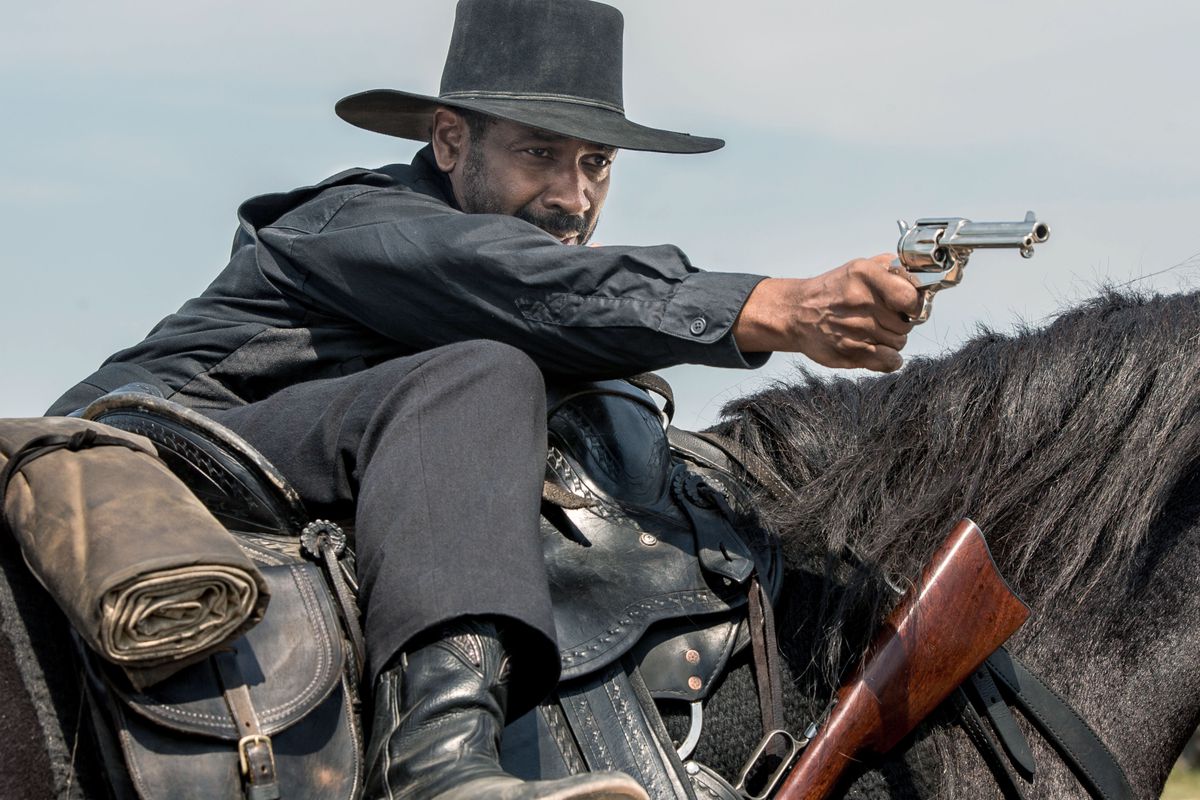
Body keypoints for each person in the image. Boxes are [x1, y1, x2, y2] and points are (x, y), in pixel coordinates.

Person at [48, 0, 921, 798]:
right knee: (484, 378)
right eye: (539, 152)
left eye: (596, 164)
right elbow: (527, 286)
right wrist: (772, 306)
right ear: (449, 141)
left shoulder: (487, 258)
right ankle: (435, 768)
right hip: (143, 463)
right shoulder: (361, 221)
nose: (573, 198)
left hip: (283, 457)